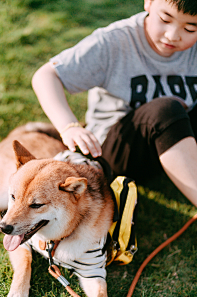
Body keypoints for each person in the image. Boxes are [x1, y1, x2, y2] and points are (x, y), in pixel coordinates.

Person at [32, 0, 197, 207]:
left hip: (176, 143)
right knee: (166, 109)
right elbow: (46, 76)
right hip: (116, 152)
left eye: (190, 28)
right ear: (149, 2)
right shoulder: (114, 41)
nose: (172, 35)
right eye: (165, 19)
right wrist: (69, 126)